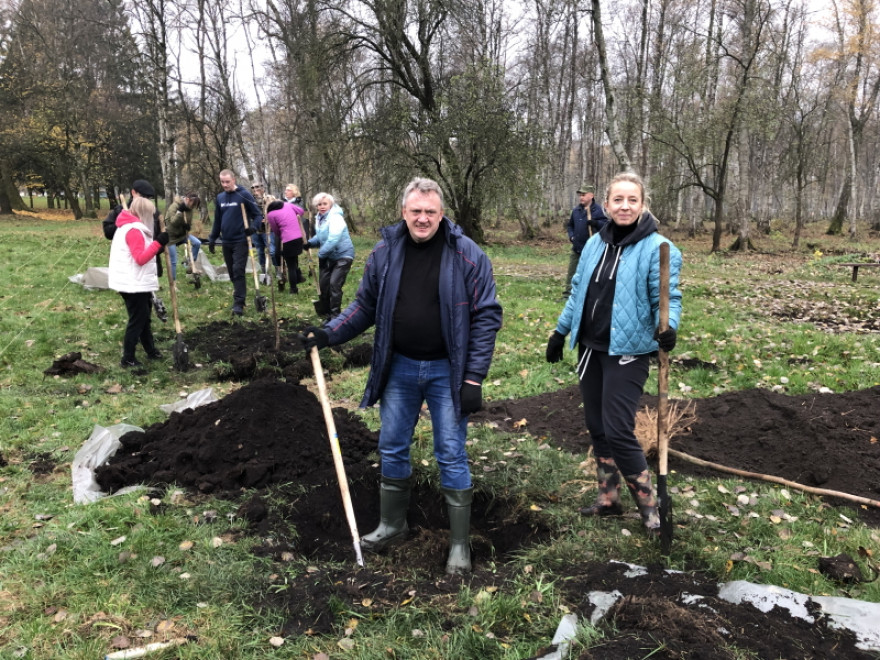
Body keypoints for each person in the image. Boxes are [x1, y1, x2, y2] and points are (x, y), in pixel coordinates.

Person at [300, 177, 503, 575]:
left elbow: (487, 316)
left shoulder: (467, 255)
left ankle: (459, 543)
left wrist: (474, 379)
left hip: (449, 369)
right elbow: (364, 307)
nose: (423, 218)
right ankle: (393, 525)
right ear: (404, 212)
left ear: (441, 214)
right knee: (392, 445)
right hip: (400, 367)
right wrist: (328, 333)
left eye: (430, 211)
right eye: (416, 211)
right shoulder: (384, 254)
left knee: (450, 450)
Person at [546, 172, 682, 536]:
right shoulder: (594, 245)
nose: (624, 206)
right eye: (617, 200)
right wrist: (560, 331)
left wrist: (667, 329)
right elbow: (577, 294)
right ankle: (609, 499)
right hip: (591, 347)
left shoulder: (658, 248)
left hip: (629, 350)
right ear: (606, 205)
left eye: (632, 200)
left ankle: (651, 511)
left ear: (642, 205)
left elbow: (667, 299)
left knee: (618, 429)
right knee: (597, 426)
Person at [108, 196, 169, 367]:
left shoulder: (126, 226)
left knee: (144, 318)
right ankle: (127, 358)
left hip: (133, 280)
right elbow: (140, 258)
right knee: (138, 320)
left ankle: (151, 350)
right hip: (132, 283)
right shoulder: (134, 230)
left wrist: (157, 243)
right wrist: (158, 243)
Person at [208, 170, 263, 316]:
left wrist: (253, 228)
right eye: (222, 182)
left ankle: (238, 303)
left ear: (233, 180)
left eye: (227, 181)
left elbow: (258, 215)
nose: (225, 185)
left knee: (238, 270)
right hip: (226, 240)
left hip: (241, 240)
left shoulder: (244, 195)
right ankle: (240, 295)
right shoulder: (220, 197)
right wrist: (212, 238)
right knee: (232, 272)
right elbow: (218, 220)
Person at [303, 192, 355, 319]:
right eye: (319, 204)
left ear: (331, 204)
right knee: (324, 285)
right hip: (329, 256)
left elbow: (333, 239)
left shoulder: (336, 217)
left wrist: (321, 253)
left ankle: (335, 315)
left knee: (334, 284)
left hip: (343, 256)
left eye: (325, 204)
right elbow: (321, 237)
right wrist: (310, 243)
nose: (322, 206)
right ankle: (326, 311)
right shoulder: (320, 218)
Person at [564, 184, 608, 298]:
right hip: (577, 247)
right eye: (580, 195)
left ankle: (589, 295)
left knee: (590, 273)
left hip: (591, 250)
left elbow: (607, 226)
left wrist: (596, 223)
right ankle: (568, 293)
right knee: (572, 271)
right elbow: (570, 226)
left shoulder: (598, 211)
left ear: (591, 195)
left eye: (584, 195)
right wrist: (572, 236)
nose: (581, 197)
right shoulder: (576, 210)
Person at [266, 199, 305, 293]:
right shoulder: (288, 205)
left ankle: (293, 289)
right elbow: (301, 211)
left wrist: (281, 235)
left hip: (287, 240)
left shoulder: (271, 214)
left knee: (290, 265)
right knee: (294, 259)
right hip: (299, 237)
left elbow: (275, 229)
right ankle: (298, 277)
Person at [164, 193, 202, 281]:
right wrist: (180, 212)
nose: (192, 208)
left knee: (197, 243)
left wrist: (187, 227)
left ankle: (189, 263)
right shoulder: (174, 206)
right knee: (173, 261)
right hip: (171, 237)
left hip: (183, 235)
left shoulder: (189, 209)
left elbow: (188, 223)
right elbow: (173, 222)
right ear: (188, 199)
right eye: (192, 205)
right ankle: (173, 283)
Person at [249, 182, 277, 277]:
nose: (255, 189)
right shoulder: (250, 200)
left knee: (272, 251)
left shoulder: (270, 198)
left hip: (268, 230)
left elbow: (277, 210)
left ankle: (277, 270)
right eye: (253, 187)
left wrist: (269, 217)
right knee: (260, 251)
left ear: (263, 188)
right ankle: (264, 272)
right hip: (256, 230)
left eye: (257, 187)